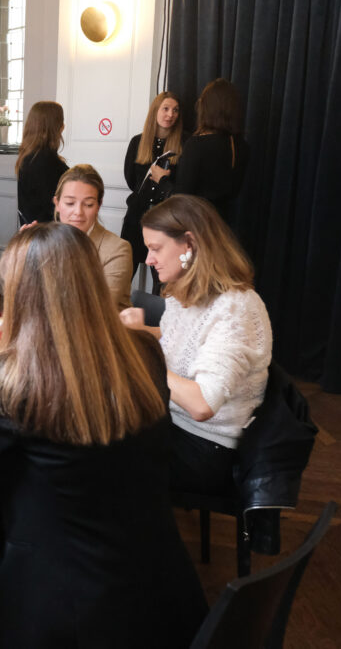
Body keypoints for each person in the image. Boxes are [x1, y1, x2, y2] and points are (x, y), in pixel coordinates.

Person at [0, 223, 207, 648]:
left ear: (20, 294)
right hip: (161, 584)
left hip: (66, 611)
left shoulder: (17, 379)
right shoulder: (144, 354)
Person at [121, 195, 272, 494]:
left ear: (188, 243)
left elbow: (203, 404)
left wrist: (139, 359)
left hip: (203, 448)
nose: (148, 259)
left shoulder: (235, 309)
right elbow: (182, 340)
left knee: (89, 454)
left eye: (155, 248)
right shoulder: (186, 292)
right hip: (172, 423)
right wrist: (141, 332)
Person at [53, 164, 133, 309]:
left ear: (98, 205)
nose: (78, 212)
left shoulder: (117, 250)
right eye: (70, 203)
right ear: (57, 203)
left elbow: (95, 310)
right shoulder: (47, 243)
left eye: (88, 204)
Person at [121, 91, 184, 265]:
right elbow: (131, 180)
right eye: (166, 109)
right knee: (125, 268)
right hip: (136, 217)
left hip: (166, 221)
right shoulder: (137, 142)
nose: (170, 115)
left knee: (162, 276)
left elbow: (183, 187)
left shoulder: (183, 144)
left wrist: (165, 182)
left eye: (175, 110)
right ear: (155, 110)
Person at [173, 78, 250, 223]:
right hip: (223, 224)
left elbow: (181, 197)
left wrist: (162, 180)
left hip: (196, 225)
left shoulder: (197, 145)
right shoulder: (242, 146)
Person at [14, 100, 67, 226]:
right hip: (48, 236)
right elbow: (52, 211)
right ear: (58, 127)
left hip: (32, 233)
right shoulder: (48, 163)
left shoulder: (27, 157)